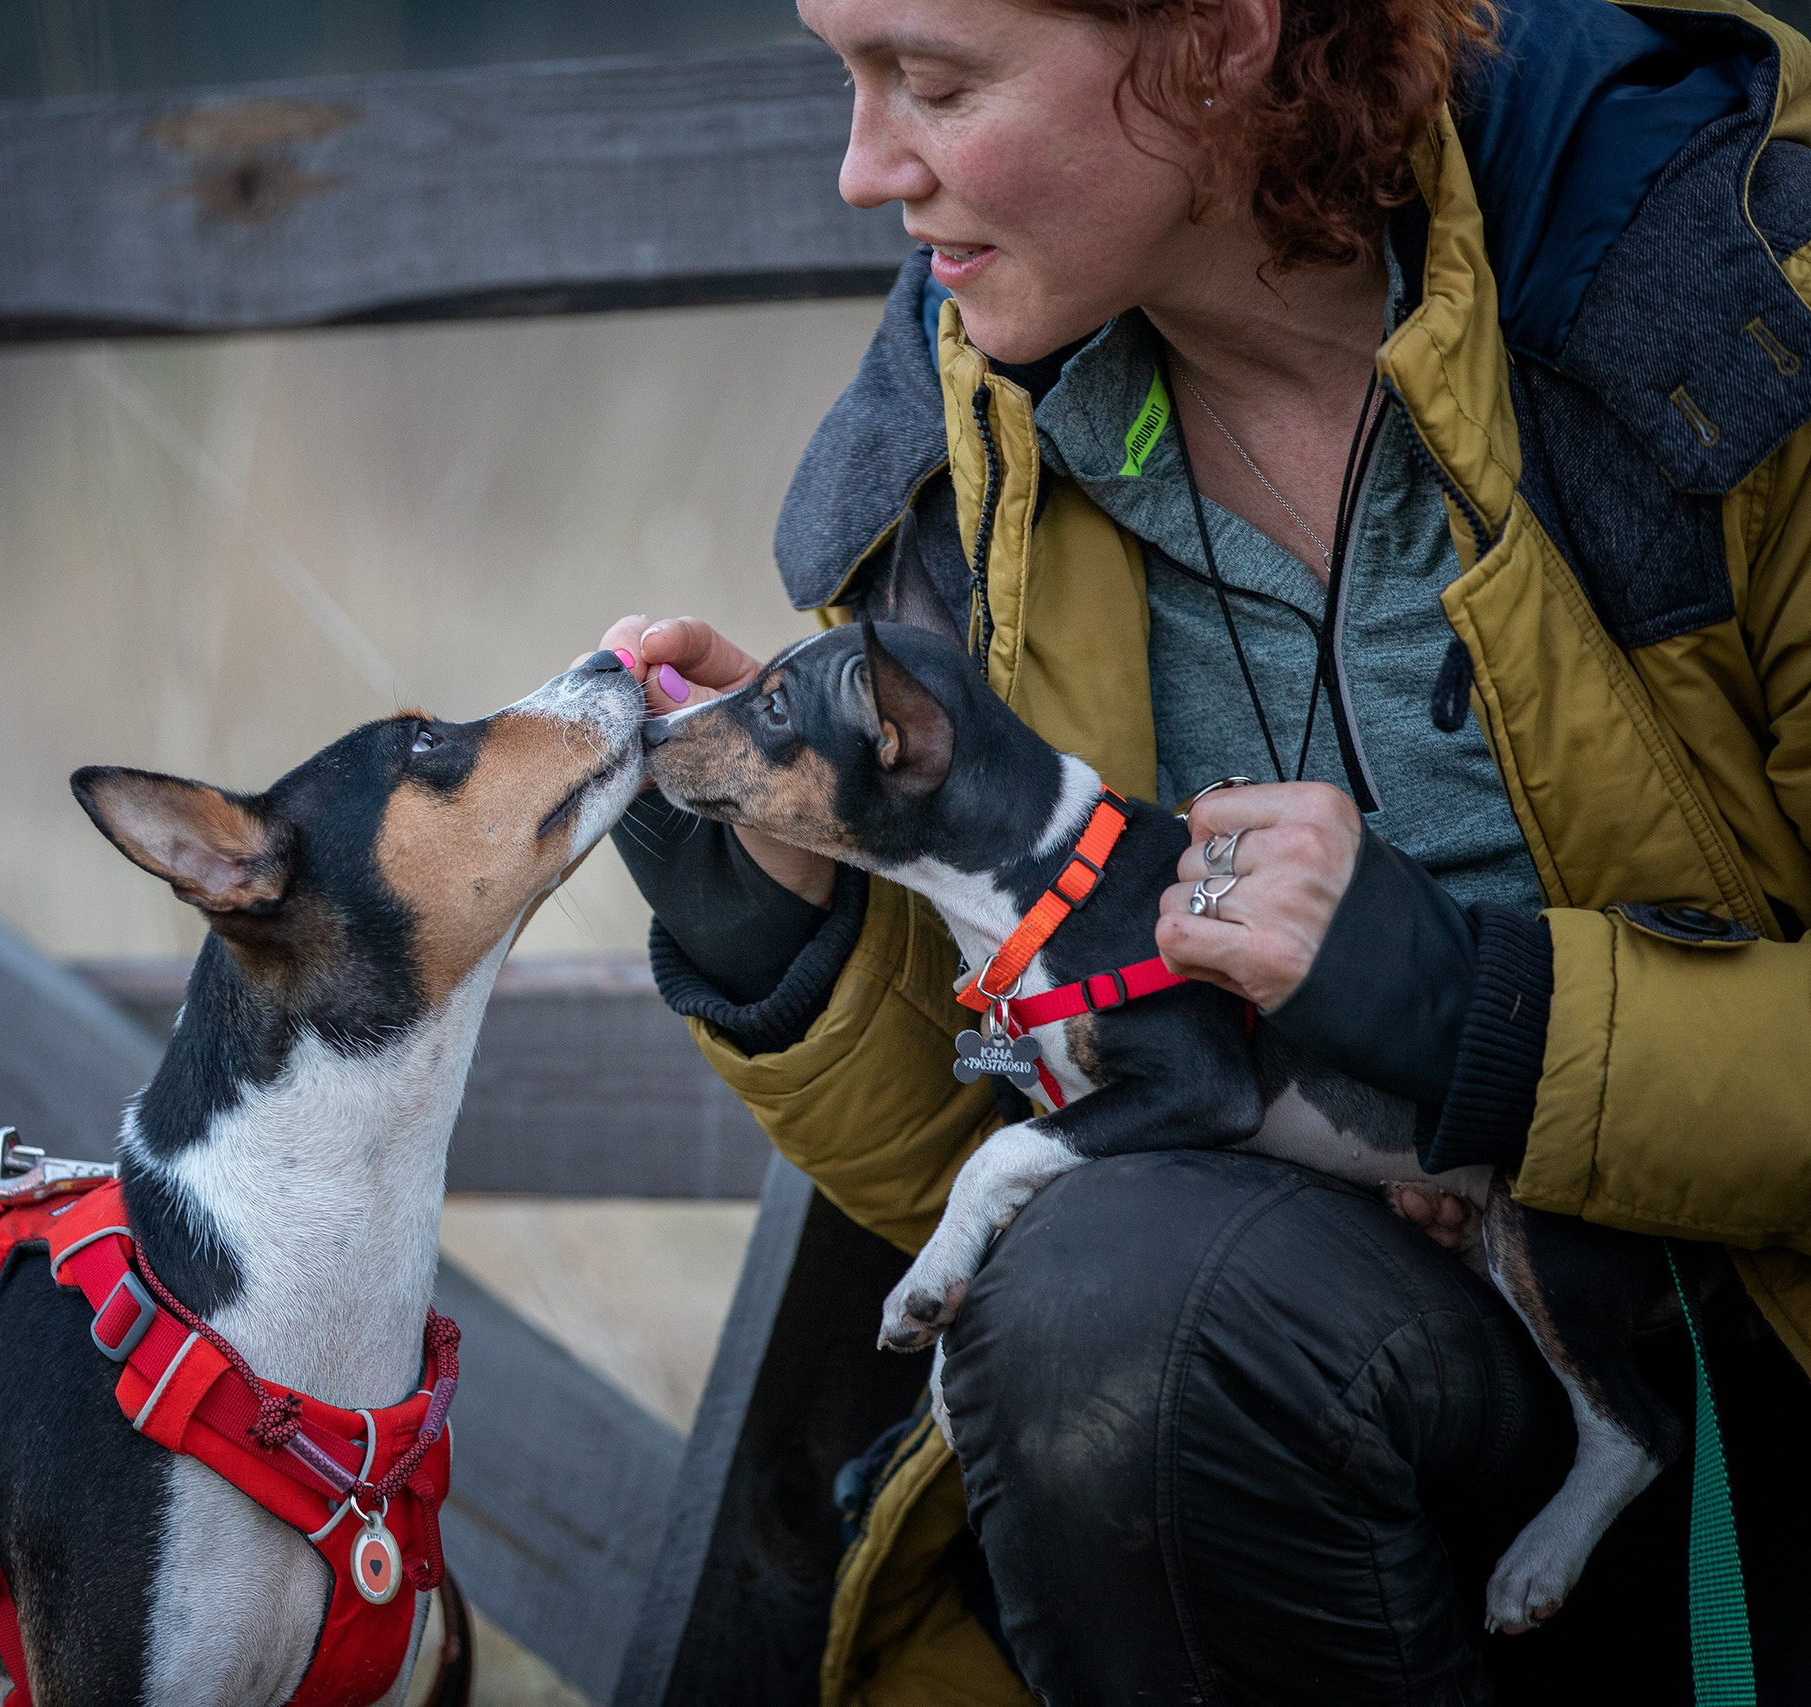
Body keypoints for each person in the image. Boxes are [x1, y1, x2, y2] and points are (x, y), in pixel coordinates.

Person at [598, 0, 1811, 1700]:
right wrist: (789, 960)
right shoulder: (959, 455)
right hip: (1316, 1442)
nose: (866, 169)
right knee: (1112, 1324)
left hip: (1759, 1410)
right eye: (846, 74)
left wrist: (1482, 1014)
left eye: (933, 81)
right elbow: (1043, 1189)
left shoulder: (1732, 295)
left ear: (1223, 38)